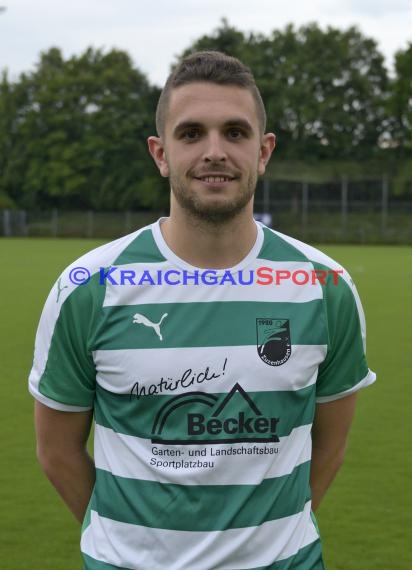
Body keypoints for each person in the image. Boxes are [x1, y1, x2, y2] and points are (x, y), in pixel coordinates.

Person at [29, 51, 376, 570]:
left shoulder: (323, 285)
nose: (215, 151)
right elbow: (56, 452)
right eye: (191, 134)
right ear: (160, 153)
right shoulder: (89, 287)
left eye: (235, 133)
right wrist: (131, 544)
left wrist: (268, 542)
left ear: (264, 151)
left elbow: (331, 443)